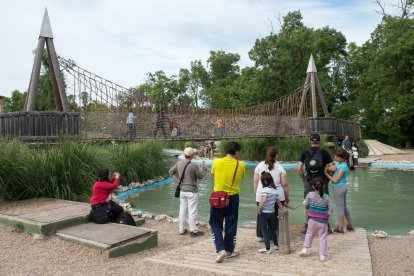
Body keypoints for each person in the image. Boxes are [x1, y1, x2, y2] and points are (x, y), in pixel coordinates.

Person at [210, 141, 245, 263]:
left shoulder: (216, 162)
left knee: (215, 223)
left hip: (218, 197)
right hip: (233, 197)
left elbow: (213, 175)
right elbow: (241, 178)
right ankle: (229, 250)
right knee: (231, 223)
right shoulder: (240, 165)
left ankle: (221, 249)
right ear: (236, 152)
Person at [297, 133, 334, 234]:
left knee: (308, 203)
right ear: (319, 142)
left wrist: (303, 179)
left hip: (309, 181)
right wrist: (328, 178)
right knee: (324, 202)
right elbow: (333, 167)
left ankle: (308, 225)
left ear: (310, 141)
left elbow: (299, 168)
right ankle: (326, 225)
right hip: (322, 181)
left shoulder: (305, 152)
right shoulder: (324, 152)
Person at [253, 147, 289, 243]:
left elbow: (256, 182)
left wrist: (255, 193)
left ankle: (261, 235)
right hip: (277, 194)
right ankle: (274, 234)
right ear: (276, 155)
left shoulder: (259, 166)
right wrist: (287, 197)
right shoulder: (280, 167)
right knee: (275, 215)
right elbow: (284, 185)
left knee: (261, 214)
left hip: (261, 193)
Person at [169, 147, 205, 237]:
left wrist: (178, 181)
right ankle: (194, 231)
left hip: (182, 191)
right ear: (192, 155)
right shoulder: (193, 165)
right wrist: (202, 169)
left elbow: (171, 172)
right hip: (192, 191)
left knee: (182, 211)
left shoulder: (179, 163)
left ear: (184, 154)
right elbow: (200, 176)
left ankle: (182, 230)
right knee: (192, 211)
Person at [299, 177, 333, 262]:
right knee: (323, 237)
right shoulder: (327, 197)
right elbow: (331, 210)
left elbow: (305, 204)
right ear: (324, 186)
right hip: (323, 221)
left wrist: (305, 202)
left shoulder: (310, 194)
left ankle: (305, 249)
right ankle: (322, 255)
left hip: (312, 220)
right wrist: (327, 217)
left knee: (309, 234)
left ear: (313, 187)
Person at [324, 148, 354, 233]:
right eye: (336, 155)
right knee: (344, 207)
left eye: (338, 157)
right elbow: (332, 166)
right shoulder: (338, 163)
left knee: (340, 208)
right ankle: (350, 225)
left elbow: (335, 180)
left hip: (339, 187)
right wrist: (330, 168)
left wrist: (326, 174)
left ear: (343, 158)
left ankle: (340, 228)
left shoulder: (343, 166)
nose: (336, 157)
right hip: (342, 187)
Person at [257, 172, 284, 254]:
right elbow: (278, 202)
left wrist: (259, 208)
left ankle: (267, 248)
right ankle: (276, 245)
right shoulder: (275, 191)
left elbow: (263, 200)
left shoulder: (265, 190)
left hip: (264, 213)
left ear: (265, 181)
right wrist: (282, 210)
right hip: (272, 213)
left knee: (264, 230)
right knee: (272, 229)